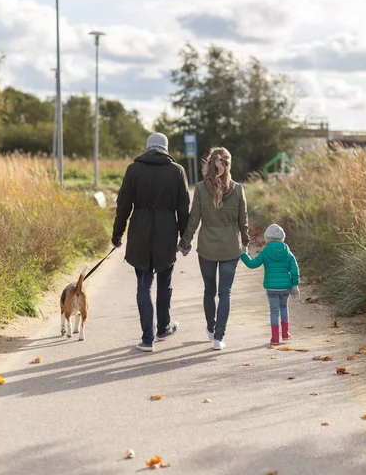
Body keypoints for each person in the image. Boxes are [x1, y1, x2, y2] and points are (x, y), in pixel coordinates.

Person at [112, 133, 190, 352]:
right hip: (166, 232)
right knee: (165, 282)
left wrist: (117, 234)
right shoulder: (177, 171)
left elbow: (123, 206)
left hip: (140, 231)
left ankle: (147, 339)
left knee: (144, 284)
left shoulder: (133, 170)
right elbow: (183, 210)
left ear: (146, 148)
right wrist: (184, 240)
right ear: (166, 148)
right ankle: (163, 327)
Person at [178, 147, 249, 350]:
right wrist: (245, 242)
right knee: (225, 293)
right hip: (230, 247)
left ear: (209, 164)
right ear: (228, 164)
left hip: (207, 247)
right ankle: (219, 337)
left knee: (209, 291)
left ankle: (210, 328)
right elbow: (243, 221)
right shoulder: (238, 188)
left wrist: (185, 243)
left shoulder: (200, 188)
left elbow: (194, 220)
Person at [240, 224, 300, 344]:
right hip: (285, 287)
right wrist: (295, 285)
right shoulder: (287, 252)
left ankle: (275, 338)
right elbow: (294, 270)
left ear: (267, 238)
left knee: (274, 310)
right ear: (282, 238)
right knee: (284, 308)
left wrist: (242, 254)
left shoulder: (266, 251)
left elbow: (252, 264)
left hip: (271, 288)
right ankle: (285, 334)